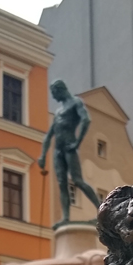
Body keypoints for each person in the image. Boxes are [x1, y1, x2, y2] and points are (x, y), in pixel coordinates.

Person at [38, 80, 102, 226]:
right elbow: (48, 136)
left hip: (69, 147)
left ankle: (101, 210)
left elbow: (86, 120)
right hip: (58, 151)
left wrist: (77, 142)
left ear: (60, 90)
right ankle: (65, 218)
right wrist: (42, 155)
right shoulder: (58, 112)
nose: (54, 98)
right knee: (62, 183)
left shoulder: (75, 103)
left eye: (54, 94)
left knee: (77, 181)